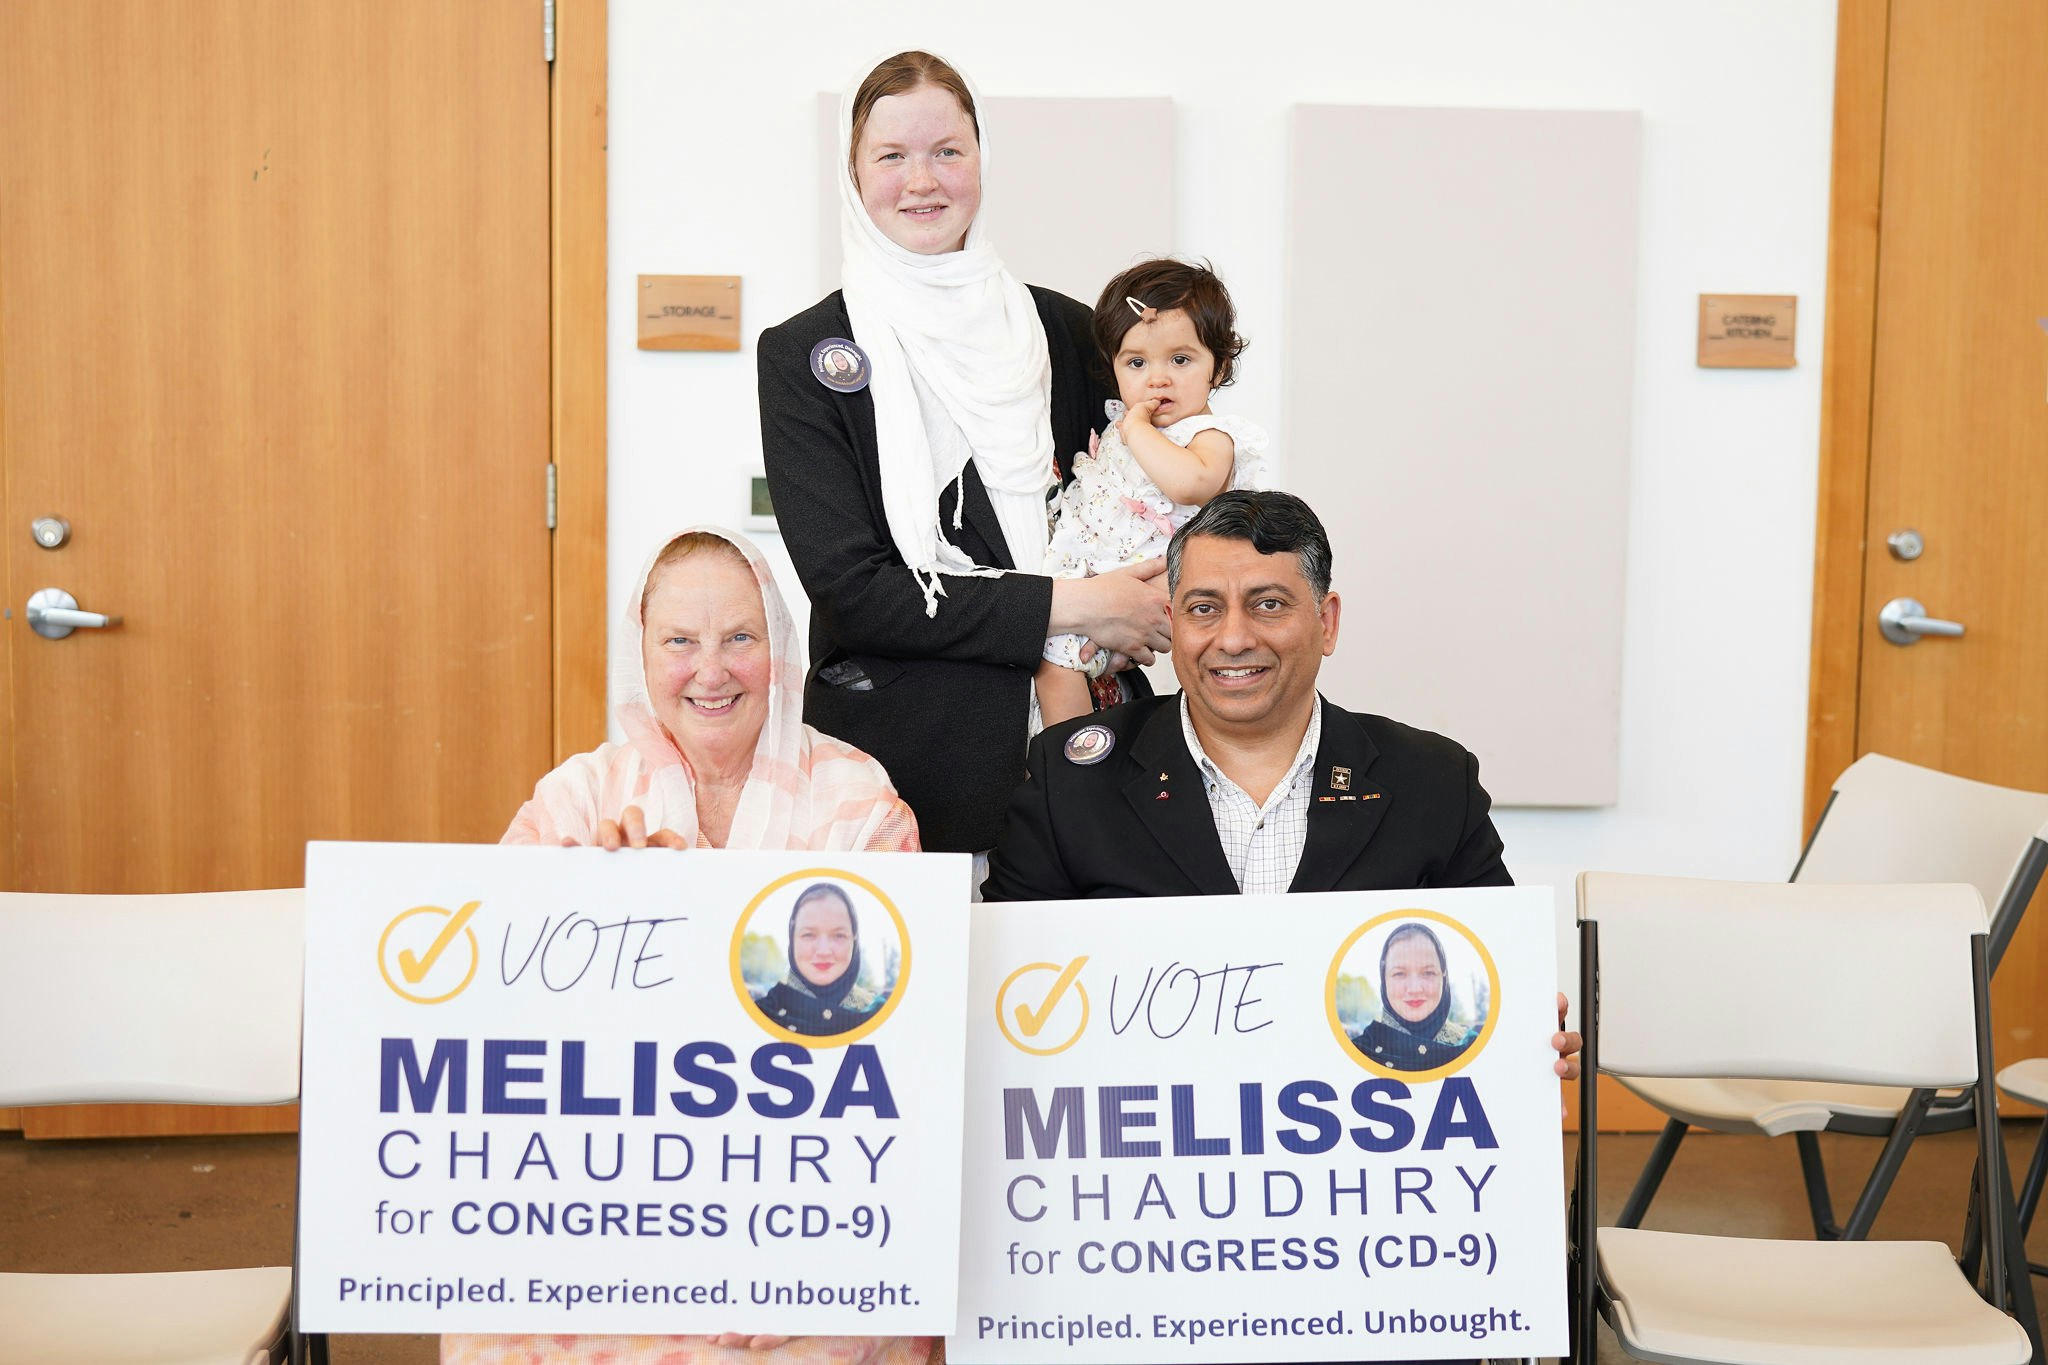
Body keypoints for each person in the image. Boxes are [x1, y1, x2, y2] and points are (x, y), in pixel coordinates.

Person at [985, 491, 1577, 1365]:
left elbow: (1485, 1001)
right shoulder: (1071, 782)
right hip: (1141, 1272)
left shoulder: (1429, 781)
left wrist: (1529, 1042)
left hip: (1369, 1273)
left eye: (1268, 604)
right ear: (1173, 624)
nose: (1233, 638)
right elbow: (1007, 1024)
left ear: (1326, 620)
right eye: (1202, 608)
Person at [451, 525, 928, 1365]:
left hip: (812, 1192)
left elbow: (896, 1048)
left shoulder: (859, 801)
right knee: (496, 1322)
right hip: (604, 1193)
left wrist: (800, 1258)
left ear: (777, 643)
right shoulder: (579, 798)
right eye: (681, 641)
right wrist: (594, 925)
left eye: (739, 637)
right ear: (643, 650)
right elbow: (493, 1009)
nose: (711, 671)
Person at [757, 50, 1172, 856]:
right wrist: (1077, 603)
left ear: (983, 159)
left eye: (948, 151)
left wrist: (1136, 598)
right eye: (892, 156)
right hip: (904, 773)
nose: (923, 180)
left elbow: (1138, 499)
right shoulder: (805, 355)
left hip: (1094, 736)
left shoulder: (1066, 333)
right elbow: (855, 593)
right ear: (852, 170)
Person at [1036, 259, 1269, 726]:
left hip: (1140, 583)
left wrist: (1137, 427)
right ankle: (1061, 769)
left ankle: (1066, 778)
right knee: (1050, 660)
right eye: (1137, 362)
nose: (1158, 378)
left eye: (1180, 360)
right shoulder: (1123, 426)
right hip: (1084, 575)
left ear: (1218, 369)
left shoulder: (1209, 435)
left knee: (1055, 664)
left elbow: (1190, 483)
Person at [751, 882, 887, 1038]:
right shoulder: (758, 1016)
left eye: (839, 935)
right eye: (808, 935)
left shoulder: (883, 1015)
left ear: (854, 941)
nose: (823, 951)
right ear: (792, 940)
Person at [1349, 921, 1478, 1072]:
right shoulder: (1355, 1054)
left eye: (1428, 973)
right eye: (1399, 974)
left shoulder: (1475, 1047)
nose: (1415, 989)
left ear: (1443, 977)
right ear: (1384, 980)